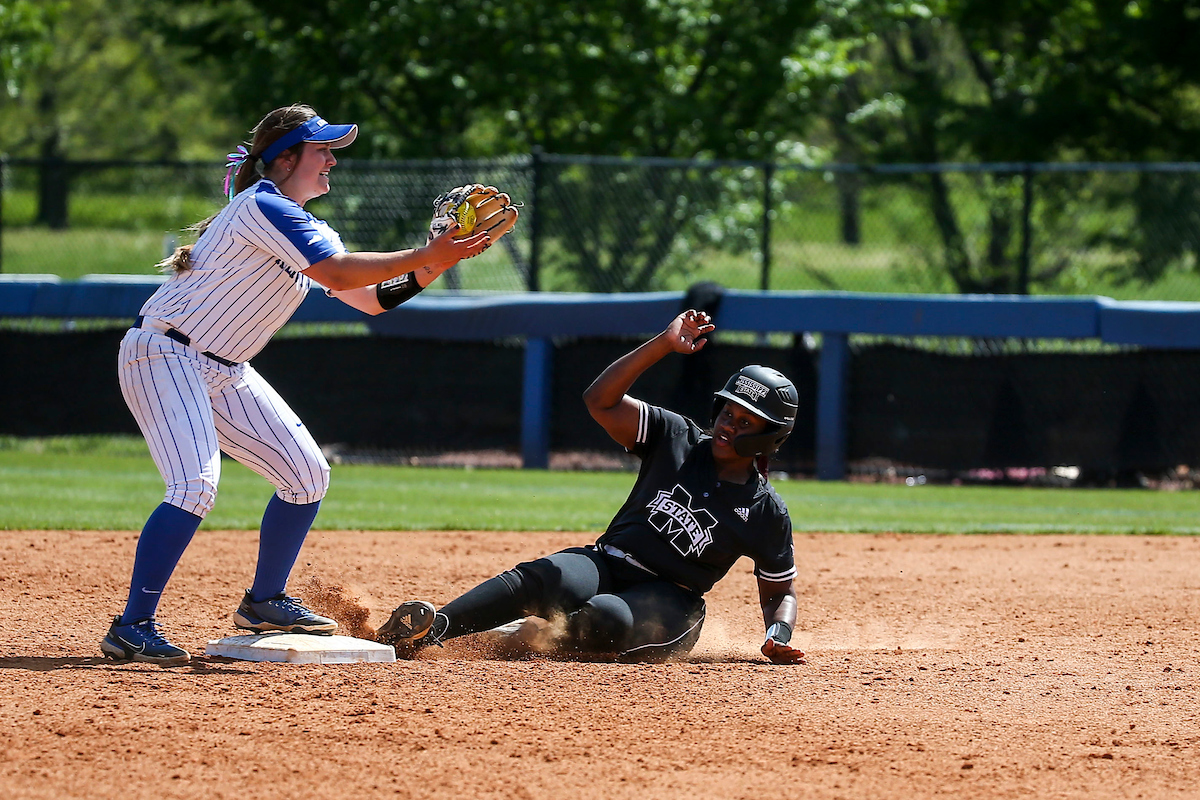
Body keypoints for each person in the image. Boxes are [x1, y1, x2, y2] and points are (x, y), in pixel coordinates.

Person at [101, 104, 492, 665]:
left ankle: (263, 600)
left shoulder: (305, 224)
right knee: (193, 486)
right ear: (285, 159)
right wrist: (423, 253)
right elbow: (338, 273)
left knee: (306, 474)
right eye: (322, 149)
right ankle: (132, 625)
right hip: (166, 353)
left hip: (224, 368)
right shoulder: (262, 204)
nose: (333, 159)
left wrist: (434, 262)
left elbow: (371, 299)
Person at [377, 310, 807, 665]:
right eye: (728, 413)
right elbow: (599, 399)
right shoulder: (676, 437)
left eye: (746, 421)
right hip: (608, 562)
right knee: (544, 577)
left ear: (771, 435)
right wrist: (663, 343)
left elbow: (779, 591)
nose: (729, 425)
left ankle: (526, 638)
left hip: (671, 602)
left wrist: (779, 631)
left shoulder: (766, 511)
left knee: (603, 618)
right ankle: (434, 628)